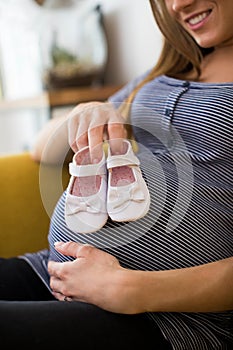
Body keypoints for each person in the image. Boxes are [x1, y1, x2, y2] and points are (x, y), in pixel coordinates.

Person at [0, 0, 233, 349]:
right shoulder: (165, 74)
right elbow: (41, 146)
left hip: (167, 319)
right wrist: (84, 112)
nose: (178, 4)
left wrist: (128, 288)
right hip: (56, 271)